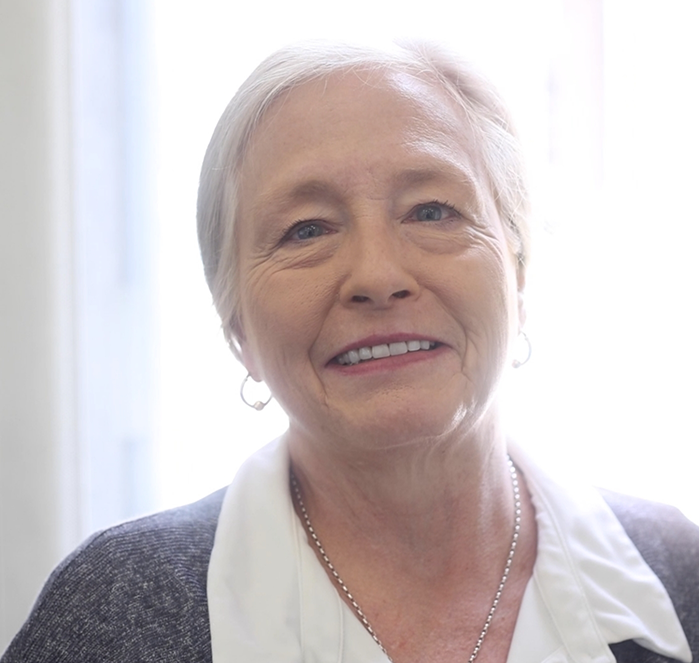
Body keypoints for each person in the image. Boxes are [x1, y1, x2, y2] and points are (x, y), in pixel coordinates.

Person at [3, 41, 698, 663]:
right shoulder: (118, 612)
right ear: (235, 325)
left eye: (432, 210)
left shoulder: (674, 568)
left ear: (516, 272)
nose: (377, 275)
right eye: (306, 230)